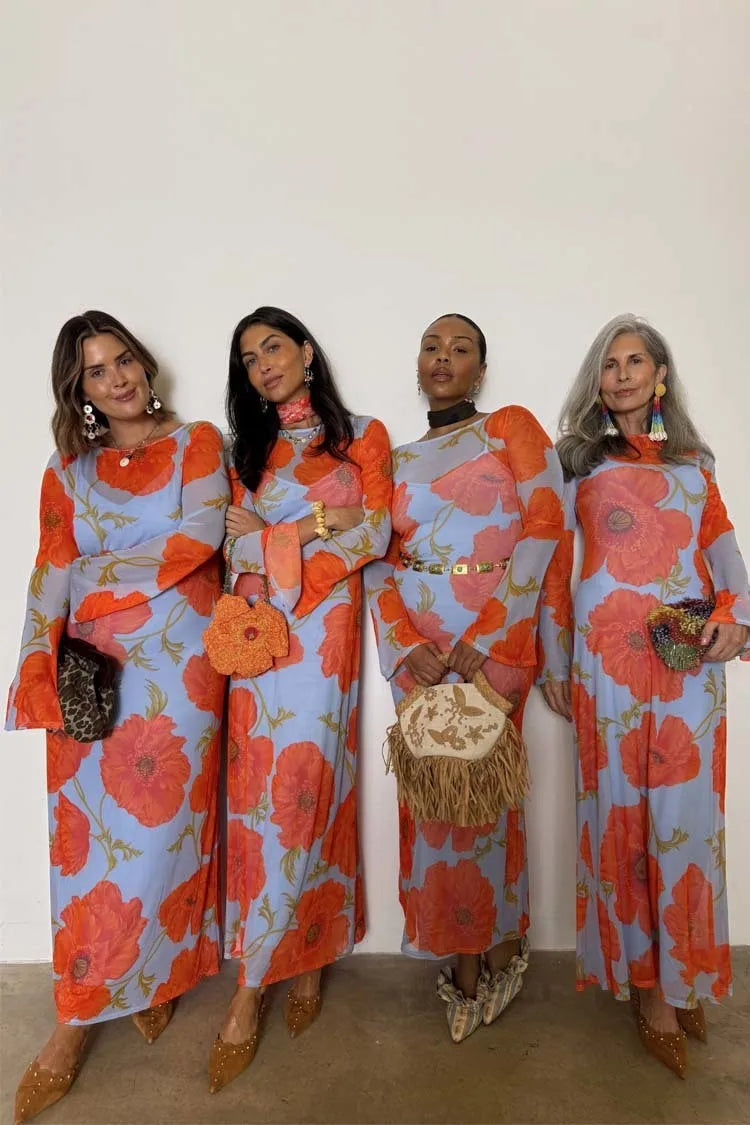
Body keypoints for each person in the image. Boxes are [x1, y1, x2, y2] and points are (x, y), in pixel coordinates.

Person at [6, 311, 228, 1124]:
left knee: (167, 835)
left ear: (143, 361)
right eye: (97, 371)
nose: (118, 377)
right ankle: (73, 1019)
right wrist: (34, 661)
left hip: (181, 675)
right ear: (82, 391)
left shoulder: (198, 444)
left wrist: (93, 579)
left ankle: (155, 976)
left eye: (123, 358)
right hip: (91, 677)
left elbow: (198, 538)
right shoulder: (65, 472)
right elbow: (48, 570)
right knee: (85, 846)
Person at [538, 314, 749, 1077]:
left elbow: (724, 555)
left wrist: (737, 619)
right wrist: (555, 658)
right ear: (597, 381)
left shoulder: (697, 462)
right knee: (623, 820)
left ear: (660, 375)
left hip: (686, 660)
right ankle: (647, 989)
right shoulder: (575, 462)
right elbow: (555, 567)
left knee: (686, 824)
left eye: (637, 361)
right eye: (610, 363)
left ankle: (686, 969)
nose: (623, 373)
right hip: (606, 664)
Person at [366, 313, 564, 1041]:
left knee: (485, 796)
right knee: (434, 801)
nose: (443, 357)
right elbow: (378, 559)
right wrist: (402, 641)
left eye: (461, 348)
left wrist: (493, 629)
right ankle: (459, 950)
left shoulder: (509, 425)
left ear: (481, 368)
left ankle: (495, 947)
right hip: (419, 650)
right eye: (431, 346)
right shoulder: (395, 455)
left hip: (494, 641)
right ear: (416, 364)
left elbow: (547, 521)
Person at [210, 306, 392, 1092]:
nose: (263, 365)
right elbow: (229, 546)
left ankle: (308, 947)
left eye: (273, 346)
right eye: (249, 358)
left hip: (323, 637)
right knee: (256, 801)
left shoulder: (362, 437)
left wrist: (293, 534)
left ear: (306, 350)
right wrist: (324, 525)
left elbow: (379, 532)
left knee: (311, 790)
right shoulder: (242, 451)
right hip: (255, 640)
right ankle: (257, 974)